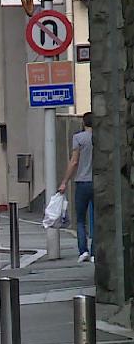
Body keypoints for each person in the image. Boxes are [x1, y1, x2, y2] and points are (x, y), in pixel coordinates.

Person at [59, 112, 94, 262]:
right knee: (96, 217)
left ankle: (83, 251)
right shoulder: (100, 138)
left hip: (82, 182)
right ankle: (95, 252)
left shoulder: (79, 138)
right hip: (97, 182)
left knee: (80, 219)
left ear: (83, 123)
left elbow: (74, 162)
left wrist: (64, 182)